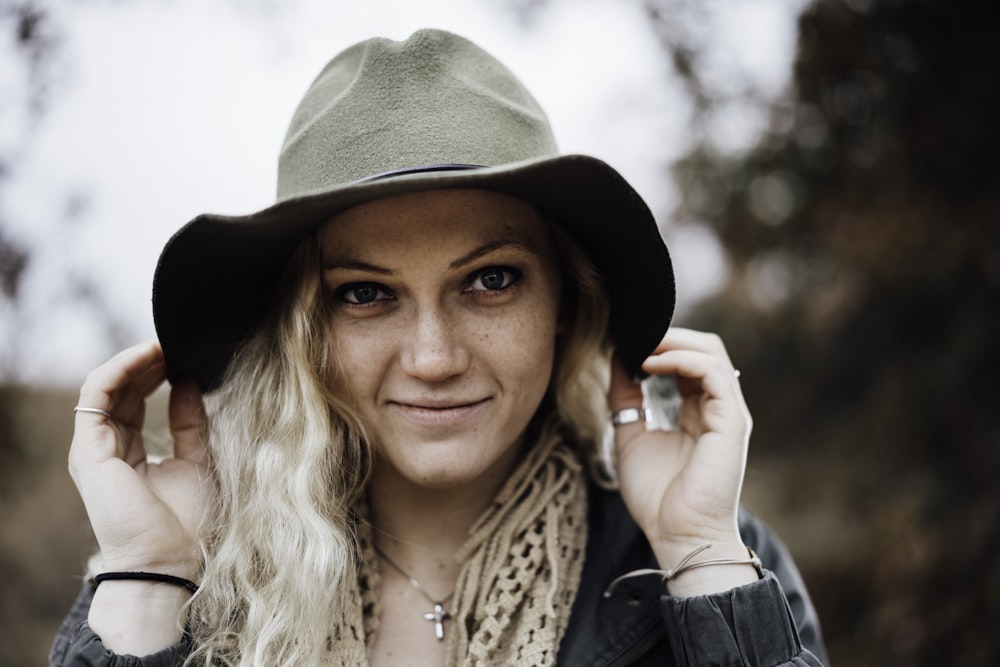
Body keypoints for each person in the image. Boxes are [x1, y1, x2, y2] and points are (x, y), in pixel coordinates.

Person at [50, 29, 826, 666]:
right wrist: (150, 576)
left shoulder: (714, 557)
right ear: (304, 332)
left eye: (490, 279)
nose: (432, 357)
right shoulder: (205, 587)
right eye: (364, 292)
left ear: (565, 300)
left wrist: (697, 557)